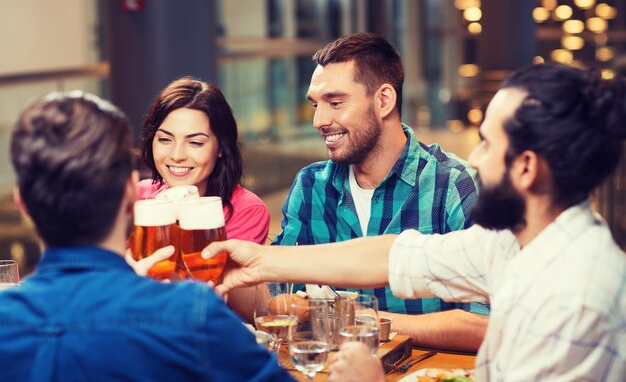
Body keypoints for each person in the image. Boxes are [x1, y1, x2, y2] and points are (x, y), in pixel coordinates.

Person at [203, 63, 626, 382]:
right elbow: (399, 255)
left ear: (528, 167)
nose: (474, 159)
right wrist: (263, 261)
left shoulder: (572, 300)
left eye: (487, 144)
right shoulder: (520, 242)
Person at [0, 91, 295, 381]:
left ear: (21, 202)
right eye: (165, 139)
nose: (178, 153)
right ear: (132, 192)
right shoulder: (194, 313)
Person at [273, 32, 488, 351]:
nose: (319, 120)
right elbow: (277, 296)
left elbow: (485, 325)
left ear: (384, 100)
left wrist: (358, 319)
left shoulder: (455, 183)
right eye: (315, 105)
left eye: (335, 103)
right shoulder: (310, 186)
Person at [138, 76, 270, 244]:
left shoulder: (247, 211)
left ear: (221, 147)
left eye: (195, 142)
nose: (177, 156)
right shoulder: (137, 196)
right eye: (165, 139)